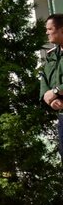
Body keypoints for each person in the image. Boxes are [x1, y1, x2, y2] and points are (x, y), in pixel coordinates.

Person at [40, 13, 63, 159]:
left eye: (50, 29)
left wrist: (56, 91)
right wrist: (49, 98)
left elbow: (54, 88)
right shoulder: (51, 55)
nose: (47, 32)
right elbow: (44, 79)